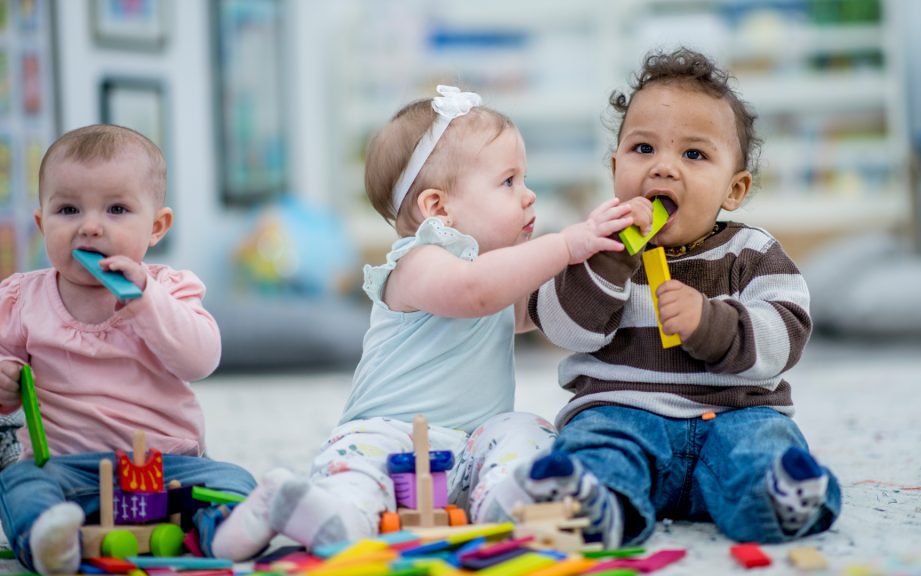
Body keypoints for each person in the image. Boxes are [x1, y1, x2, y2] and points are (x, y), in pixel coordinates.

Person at [211, 85, 635, 560]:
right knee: (358, 469)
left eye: (524, 178)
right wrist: (563, 245)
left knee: (526, 428)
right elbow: (475, 291)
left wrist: (600, 264)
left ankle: (508, 498)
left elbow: (545, 309)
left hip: (472, 446)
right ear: (438, 209)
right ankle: (321, 510)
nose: (528, 194)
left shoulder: (495, 272)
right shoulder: (418, 262)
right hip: (389, 435)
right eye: (508, 181)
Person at [517, 47, 842, 548]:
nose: (663, 168)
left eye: (693, 155)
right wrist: (609, 261)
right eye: (643, 148)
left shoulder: (752, 252)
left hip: (734, 415)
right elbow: (564, 328)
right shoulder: (592, 244)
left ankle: (780, 496)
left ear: (734, 190)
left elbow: (787, 334)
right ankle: (594, 503)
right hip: (622, 413)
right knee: (596, 444)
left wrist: (712, 324)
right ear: (615, 167)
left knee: (764, 445)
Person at [0, 124, 255, 574]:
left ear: (156, 227)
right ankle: (50, 540)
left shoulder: (170, 290)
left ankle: (226, 532)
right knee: (18, 482)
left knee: (234, 480)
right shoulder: (22, 300)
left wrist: (147, 302)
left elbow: (201, 360)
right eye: (68, 209)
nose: (90, 226)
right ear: (42, 224)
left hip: (168, 466)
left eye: (117, 209)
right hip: (67, 469)